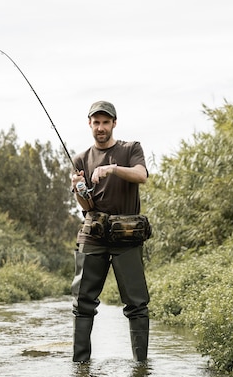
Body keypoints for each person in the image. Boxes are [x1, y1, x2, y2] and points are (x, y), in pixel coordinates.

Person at [70, 100, 151, 362]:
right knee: (82, 304)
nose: (101, 127)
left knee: (137, 305)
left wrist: (112, 168)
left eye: (106, 122)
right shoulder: (81, 159)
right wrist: (80, 189)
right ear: (90, 124)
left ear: (114, 123)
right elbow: (86, 205)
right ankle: (80, 367)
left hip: (126, 236)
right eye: (97, 122)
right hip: (93, 235)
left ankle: (141, 367)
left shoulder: (131, 149)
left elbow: (141, 175)